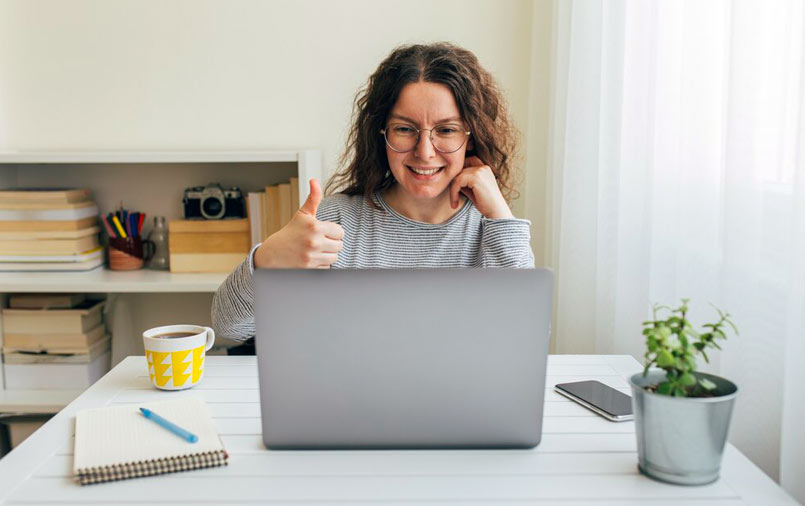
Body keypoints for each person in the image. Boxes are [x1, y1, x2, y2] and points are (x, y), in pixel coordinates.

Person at [212, 42, 535, 348]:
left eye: (447, 130)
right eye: (405, 129)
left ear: (472, 137)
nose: (424, 152)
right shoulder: (336, 221)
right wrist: (267, 258)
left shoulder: (494, 228)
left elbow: (526, 337)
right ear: (381, 133)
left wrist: (501, 218)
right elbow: (231, 328)